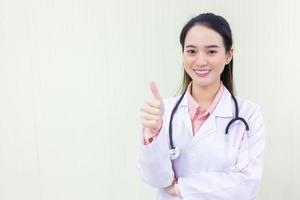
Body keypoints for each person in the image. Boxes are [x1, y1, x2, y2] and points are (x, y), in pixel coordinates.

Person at [138, 13, 265, 200]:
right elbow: (155, 179)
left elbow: (247, 183)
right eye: (191, 51)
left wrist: (182, 188)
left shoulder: (249, 114)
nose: (200, 61)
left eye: (211, 51)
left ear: (229, 55)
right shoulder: (162, 112)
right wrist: (153, 132)